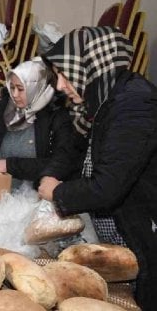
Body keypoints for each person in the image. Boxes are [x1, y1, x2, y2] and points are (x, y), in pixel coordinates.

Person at [37, 26, 157, 309]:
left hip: (144, 238)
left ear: (88, 66)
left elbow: (108, 187)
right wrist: (50, 176)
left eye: (64, 74)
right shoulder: (100, 102)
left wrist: (59, 193)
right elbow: (73, 151)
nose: (59, 85)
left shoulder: (134, 104)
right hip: (123, 236)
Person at [0, 59, 79, 188]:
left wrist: (8, 165)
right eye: (12, 87)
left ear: (36, 88)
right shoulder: (7, 109)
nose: (15, 95)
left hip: (35, 195)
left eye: (21, 89)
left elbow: (61, 163)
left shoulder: (57, 117)